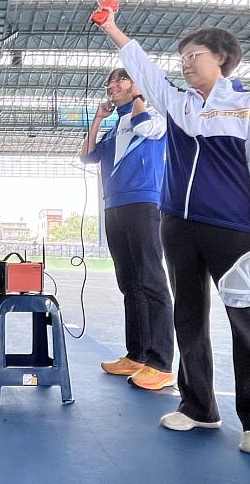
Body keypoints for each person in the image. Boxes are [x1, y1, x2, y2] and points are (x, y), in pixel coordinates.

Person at [96, 8, 250, 457]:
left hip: (234, 229)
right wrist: (111, 26)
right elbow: (143, 67)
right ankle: (199, 406)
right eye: (182, 57)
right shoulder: (180, 104)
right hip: (178, 225)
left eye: (195, 55)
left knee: (249, 322)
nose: (185, 63)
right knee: (188, 315)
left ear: (222, 59)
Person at [79, 68, 174, 391]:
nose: (113, 86)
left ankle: (161, 363)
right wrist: (97, 119)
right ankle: (137, 355)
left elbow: (146, 127)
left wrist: (139, 98)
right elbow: (88, 156)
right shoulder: (116, 126)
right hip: (114, 206)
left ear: (138, 86)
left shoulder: (155, 116)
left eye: (121, 80)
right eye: (110, 83)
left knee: (151, 280)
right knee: (129, 283)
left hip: (144, 203)